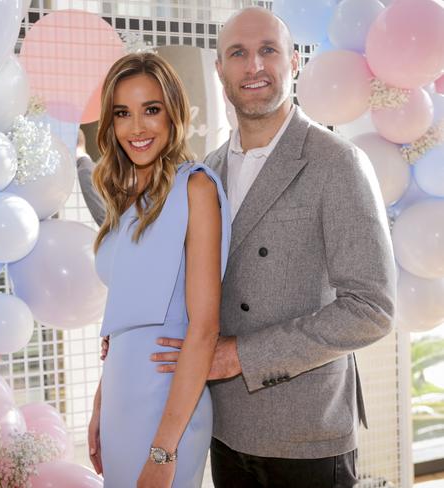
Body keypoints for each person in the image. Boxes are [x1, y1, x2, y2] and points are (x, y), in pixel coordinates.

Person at [80, 7, 395, 488]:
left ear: (293, 61)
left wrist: (240, 356)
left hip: (305, 433)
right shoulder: (204, 171)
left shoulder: (338, 163)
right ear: (219, 70)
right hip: (222, 429)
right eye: (238, 54)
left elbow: (372, 309)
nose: (254, 67)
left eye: (268, 50)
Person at [87, 52, 230, 488]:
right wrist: (99, 405)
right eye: (122, 114)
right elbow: (122, 323)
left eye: (151, 109)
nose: (137, 127)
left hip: (167, 406)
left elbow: (203, 329)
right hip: (119, 400)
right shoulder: (126, 202)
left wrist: (163, 449)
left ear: (174, 113)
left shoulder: (197, 187)